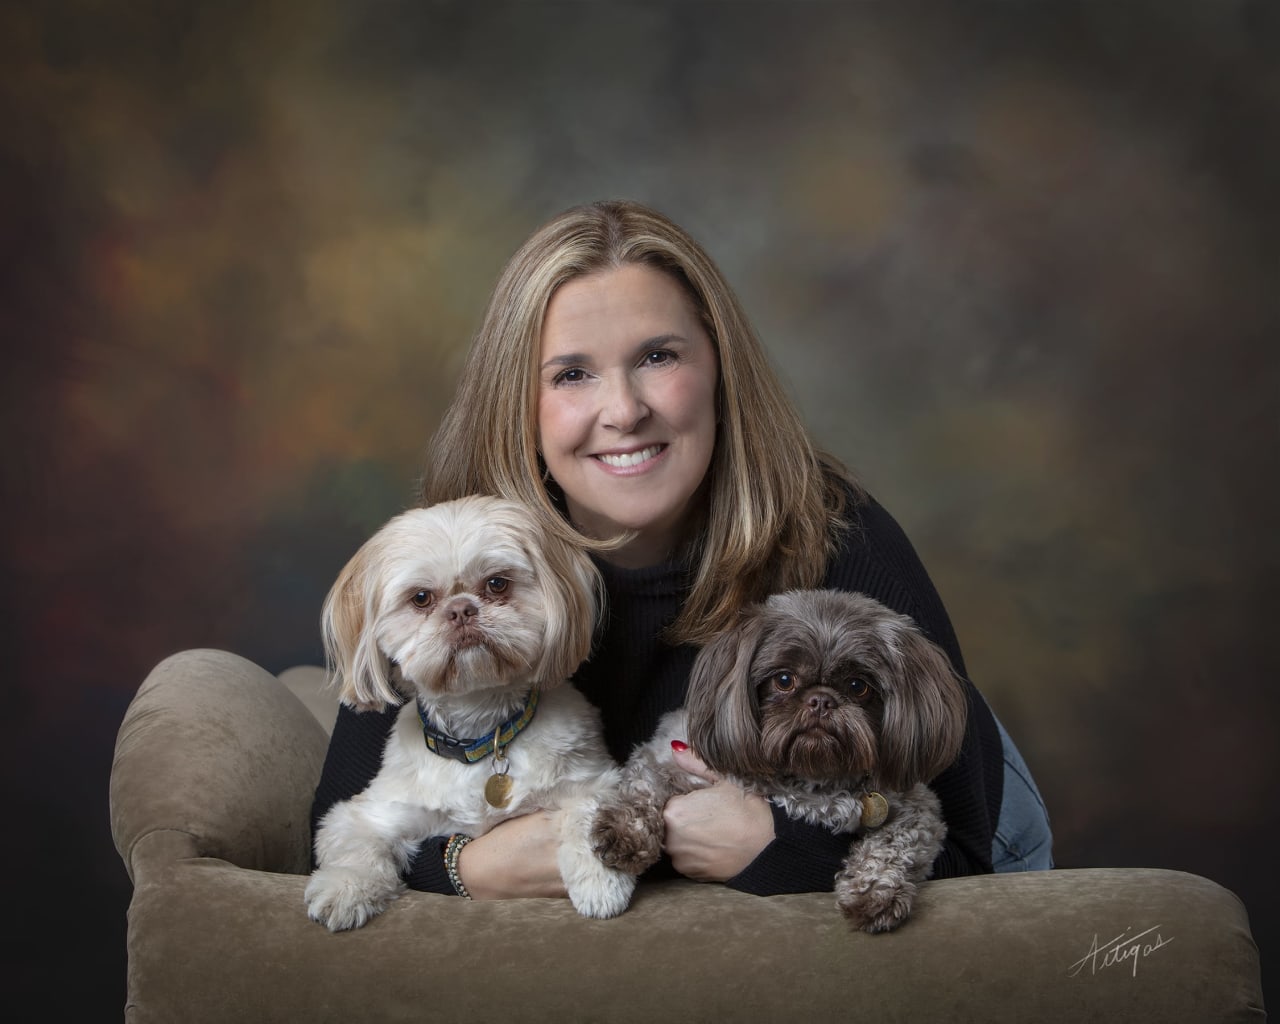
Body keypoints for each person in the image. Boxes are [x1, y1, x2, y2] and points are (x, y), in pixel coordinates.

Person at [311, 199, 1053, 901]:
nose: (626, 411)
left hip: (940, 818)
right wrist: (465, 865)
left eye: (659, 356)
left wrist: (778, 849)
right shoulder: (456, 556)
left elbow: (967, 866)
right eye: (572, 374)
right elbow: (332, 832)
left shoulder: (839, 539)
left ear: (718, 368)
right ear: (518, 402)